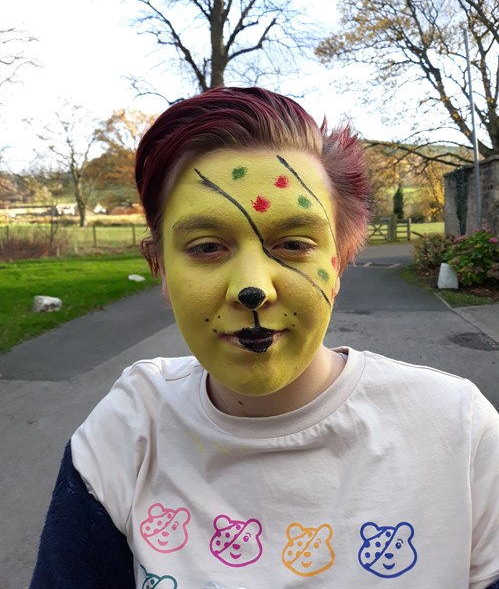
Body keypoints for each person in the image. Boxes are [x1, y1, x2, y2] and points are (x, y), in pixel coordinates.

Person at [30, 87, 498, 589]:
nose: (252, 287)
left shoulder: (458, 433)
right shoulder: (128, 431)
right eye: (207, 247)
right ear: (160, 266)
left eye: (294, 244)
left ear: (336, 263)